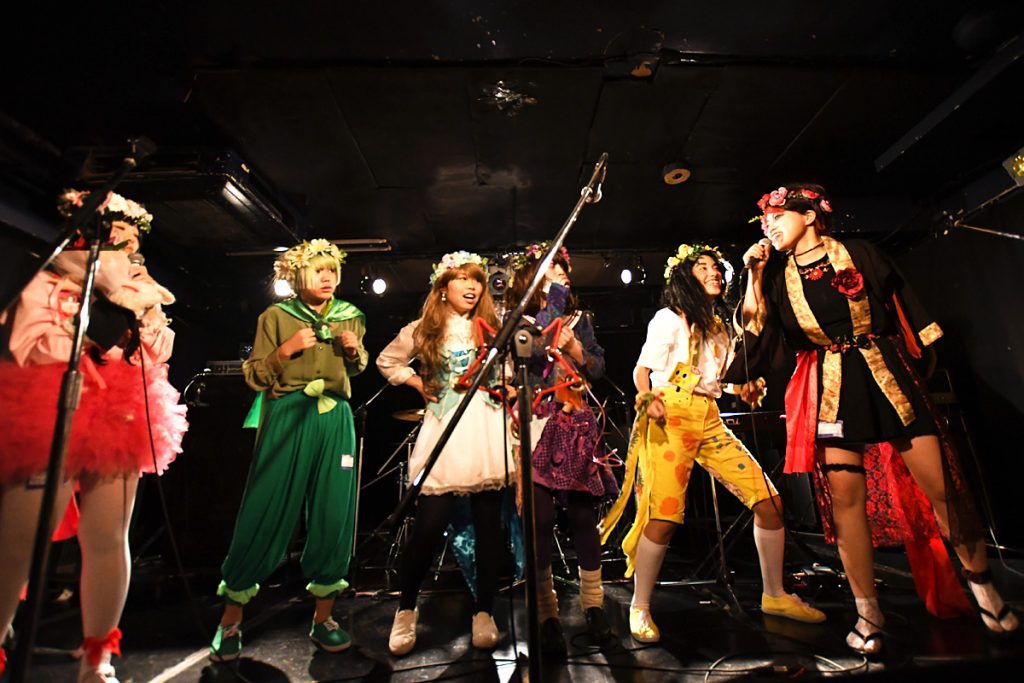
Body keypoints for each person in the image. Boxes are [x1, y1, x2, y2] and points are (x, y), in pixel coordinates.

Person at [733, 183, 1018, 654]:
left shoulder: (860, 254)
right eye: (766, 221)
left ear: (809, 215)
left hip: (884, 373)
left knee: (942, 490)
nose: (770, 226)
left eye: (778, 216)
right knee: (846, 502)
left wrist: (925, 355)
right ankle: (869, 612)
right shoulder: (777, 278)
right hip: (831, 387)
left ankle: (984, 589)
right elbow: (755, 332)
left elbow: (903, 304)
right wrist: (754, 274)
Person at [0, 190, 187, 682]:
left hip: (119, 407)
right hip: (49, 401)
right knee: (19, 539)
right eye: (112, 226)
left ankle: (97, 659)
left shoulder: (139, 287)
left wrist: (140, 323)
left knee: (107, 535)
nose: (123, 237)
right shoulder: (48, 271)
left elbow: (155, 351)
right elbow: (29, 338)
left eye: (130, 230)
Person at [601, 243, 825, 644]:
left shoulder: (720, 327)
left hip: (708, 416)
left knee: (769, 502)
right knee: (665, 518)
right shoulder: (668, 319)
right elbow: (641, 371)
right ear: (685, 278)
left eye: (716, 268)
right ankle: (640, 605)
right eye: (702, 267)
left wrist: (744, 387)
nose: (714, 272)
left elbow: (716, 378)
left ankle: (774, 595)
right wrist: (647, 399)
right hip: (670, 414)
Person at [210, 239, 367, 661]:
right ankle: (230, 620)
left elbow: (358, 367)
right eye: (318, 270)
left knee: (333, 511)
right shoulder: (275, 317)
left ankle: (324, 618)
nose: (327, 277)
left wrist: (354, 352)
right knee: (266, 505)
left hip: (335, 416)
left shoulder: (350, 315)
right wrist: (284, 351)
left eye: (332, 270)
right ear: (298, 276)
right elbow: (256, 376)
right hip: (288, 413)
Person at [377, 251, 514, 656]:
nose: (472, 287)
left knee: (489, 528)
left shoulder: (492, 328)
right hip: (444, 431)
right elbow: (388, 360)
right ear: (442, 288)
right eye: (462, 279)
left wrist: (505, 385)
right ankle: (406, 608)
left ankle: (484, 611)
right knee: (427, 527)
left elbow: (506, 372)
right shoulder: (425, 329)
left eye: (477, 280)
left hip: (486, 430)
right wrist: (418, 383)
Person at [504, 242, 617, 653]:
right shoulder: (520, 321)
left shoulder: (579, 320)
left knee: (584, 517)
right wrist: (552, 296)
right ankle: (546, 612)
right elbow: (535, 348)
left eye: (563, 268)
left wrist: (576, 350)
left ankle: (594, 605)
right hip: (537, 424)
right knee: (541, 518)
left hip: (575, 423)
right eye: (553, 268)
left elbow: (597, 367)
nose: (563, 273)